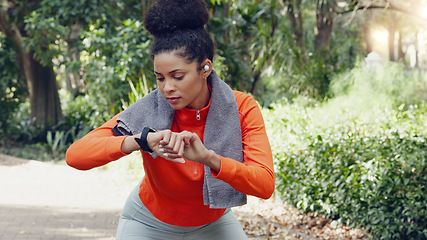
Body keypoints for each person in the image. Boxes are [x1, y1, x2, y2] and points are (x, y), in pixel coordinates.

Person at [66, 0, 275, 239]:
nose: (167, 88)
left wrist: (210, 159)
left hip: (212, 225)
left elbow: (265, 184)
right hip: (147, 224)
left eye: (177, 76)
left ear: (205, 68)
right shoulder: (148, 109)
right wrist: (142, 140)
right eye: (160, 78)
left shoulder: (241, 107)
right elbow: (76, 156)